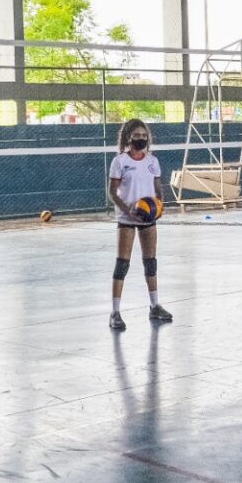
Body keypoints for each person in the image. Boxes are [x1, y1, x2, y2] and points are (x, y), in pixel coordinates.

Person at [107, 119, 172, 331]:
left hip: (148, 219)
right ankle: (115, 312)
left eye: (144, 136)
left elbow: (158, 188)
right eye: (137, 135)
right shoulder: (119, 161)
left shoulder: (152, 161)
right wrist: (128, 211)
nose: (141, 139)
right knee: (122, 264)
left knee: (150, 262)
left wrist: (160, 206)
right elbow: (112, 192)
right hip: (127, 218)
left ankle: (155, 306)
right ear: (128, 137)